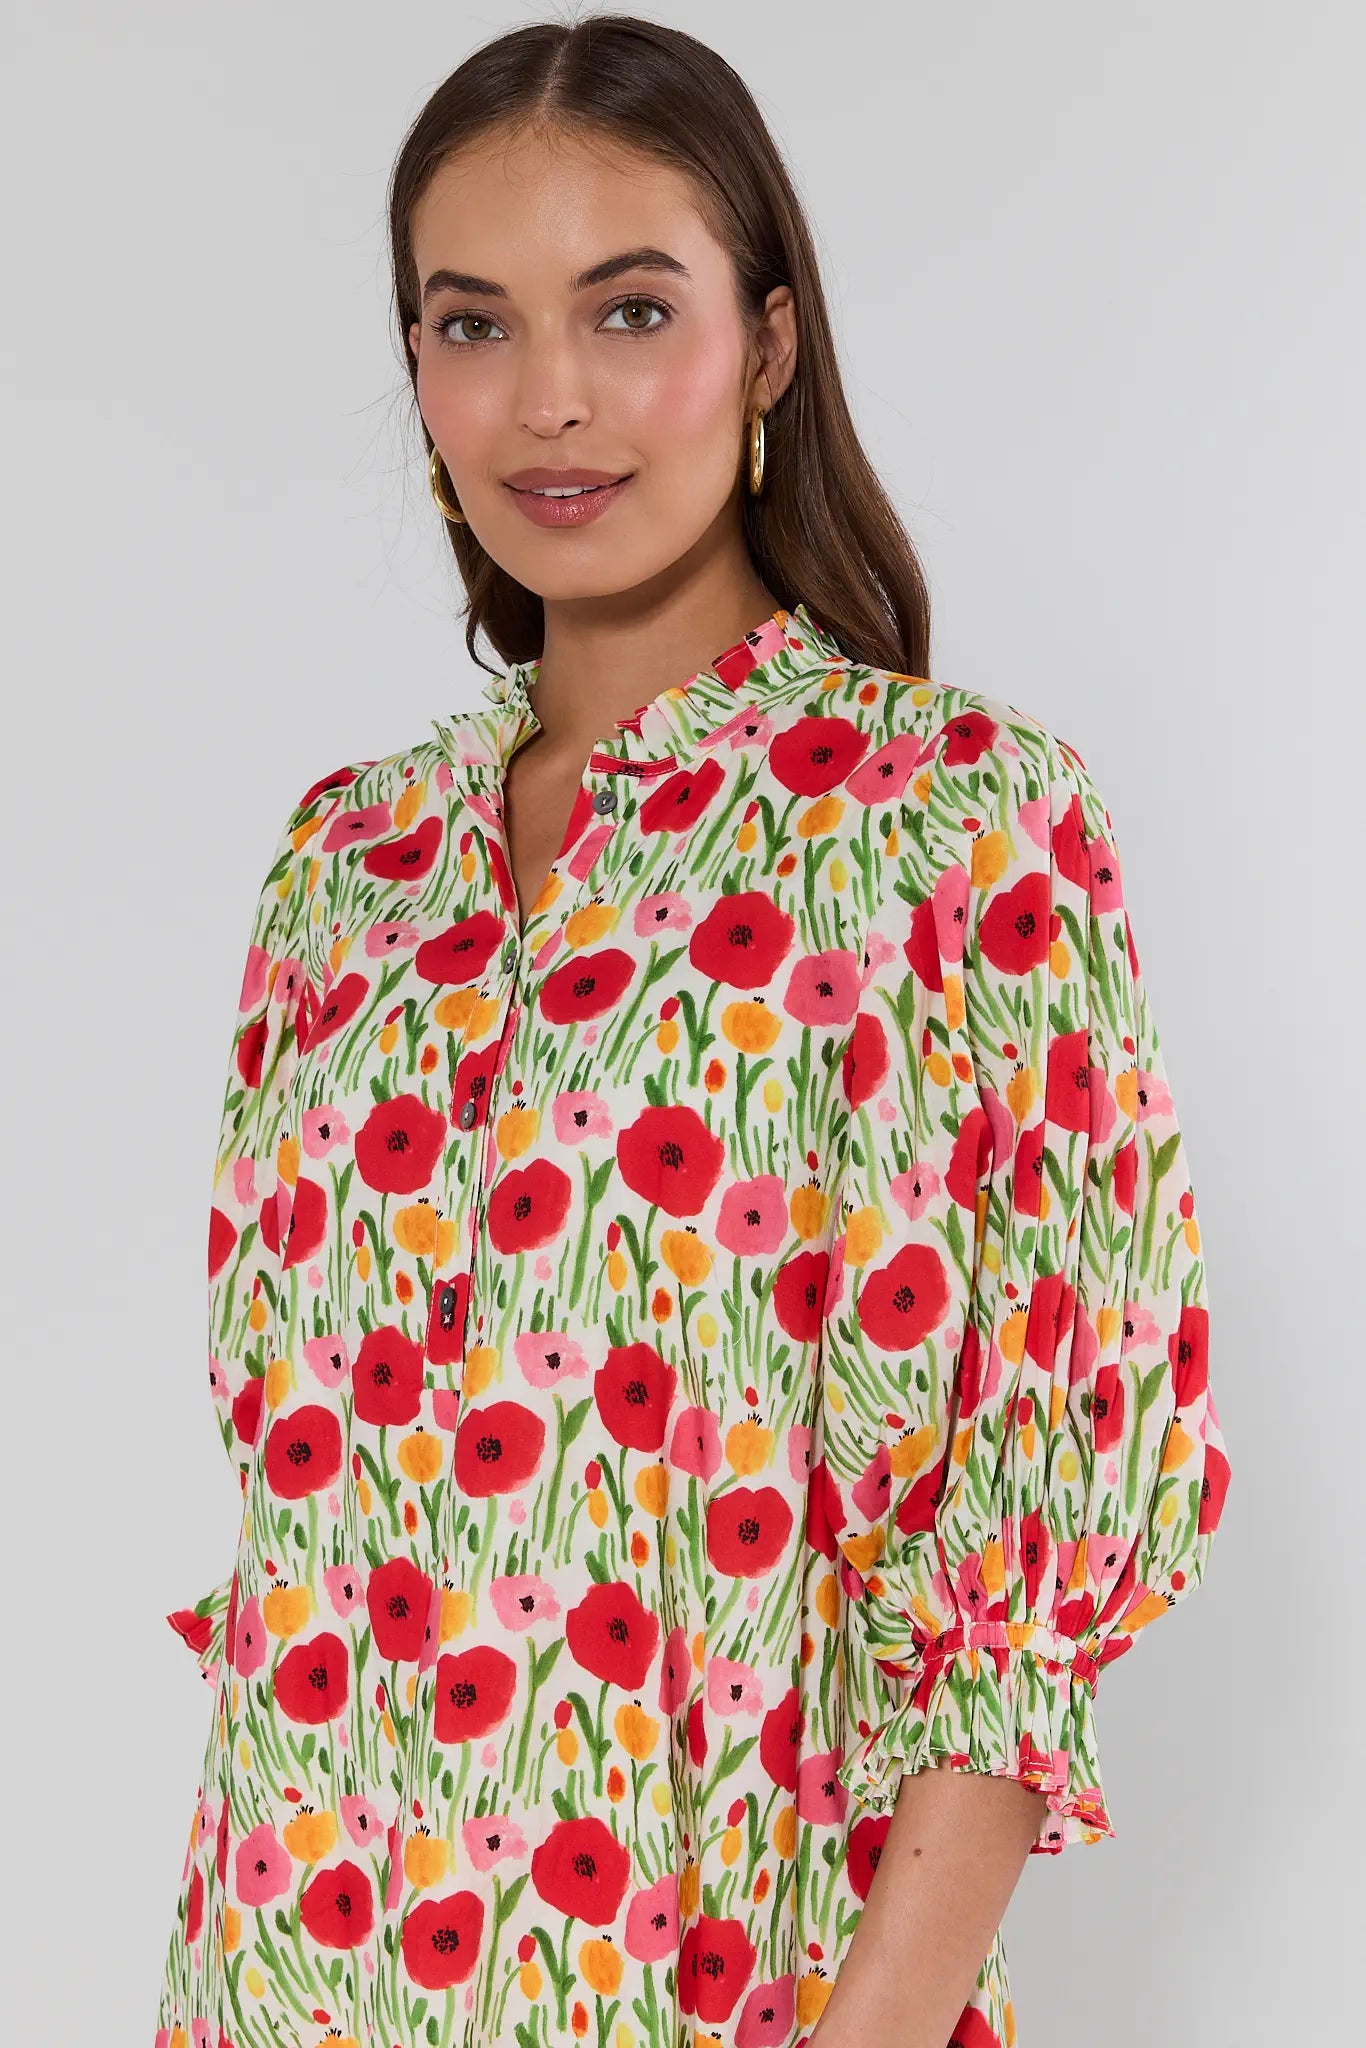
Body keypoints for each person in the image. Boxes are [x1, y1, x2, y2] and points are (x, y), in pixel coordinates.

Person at [153, 16, 1231, 2048]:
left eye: (626, 308)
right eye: (471, 325)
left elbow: (1027, 1540)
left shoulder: (949, 827)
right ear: (416, 370)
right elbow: (297, 1495)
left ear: (769, 338)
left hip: (728, 1983)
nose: (547, 399)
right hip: (287, 1967)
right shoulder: (343, 864)